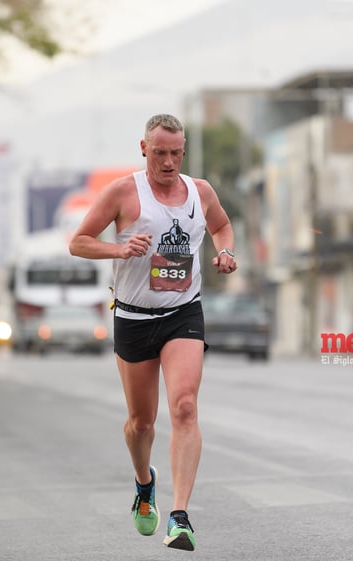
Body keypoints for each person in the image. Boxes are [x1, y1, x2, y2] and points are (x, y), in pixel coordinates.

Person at [68, 114, 238, 552]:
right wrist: (119, 247)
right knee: (142, 423)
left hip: (183, 312)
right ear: (144, 148)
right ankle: (145, 483)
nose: (168, 161)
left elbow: (221, 226)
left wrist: (225, 251)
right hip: (134, 317)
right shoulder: (125, 192)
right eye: (159, 152)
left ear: (184, 151)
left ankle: (179, 516)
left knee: (184, 407)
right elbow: (79, 241)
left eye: (176, 153)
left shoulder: (200, 192)